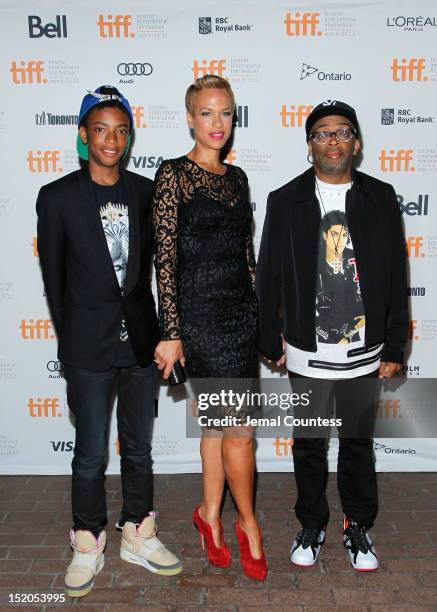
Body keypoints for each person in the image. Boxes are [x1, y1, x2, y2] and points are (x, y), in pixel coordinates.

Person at [36, 85, 182, 598]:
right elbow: (55, 281)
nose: (111, 140)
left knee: (139, 449)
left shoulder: (146, 192)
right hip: (87, 346)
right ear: (83, 135)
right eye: (101, 129)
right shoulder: (56, 197)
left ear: (129, 136)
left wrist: (165, 332)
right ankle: (88, 540)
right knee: (90, 453)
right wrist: (72, 338)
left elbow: (160, 270)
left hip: (140, 343)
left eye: (120, 130)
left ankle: (137, 532)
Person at [256, 100, 408, 572]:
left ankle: (357, 526)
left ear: (356, 143)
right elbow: (269, 276)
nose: (333, 141)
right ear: (309, 146)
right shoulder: (285, 200)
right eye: (322, 133)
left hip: (365, 350)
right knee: (309, 443)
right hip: (306, 349)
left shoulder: (381, 197)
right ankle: (313, 523)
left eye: (343, 132)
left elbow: (396, 274)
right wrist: (270, 337)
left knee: (358, 442)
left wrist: (395, 343)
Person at [152, 75, 267, 581]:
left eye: (225, 114)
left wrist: (264, 321)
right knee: (238, 431)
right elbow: (165, 262)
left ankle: (210, 517)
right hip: (198, 319)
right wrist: (171, 331)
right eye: (207, 113)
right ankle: (249, 524)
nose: (217, 123)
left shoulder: (238, 179)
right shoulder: (172, 174)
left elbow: (248, 257)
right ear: (190, 118)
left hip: (241, 316)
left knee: (219, 427)